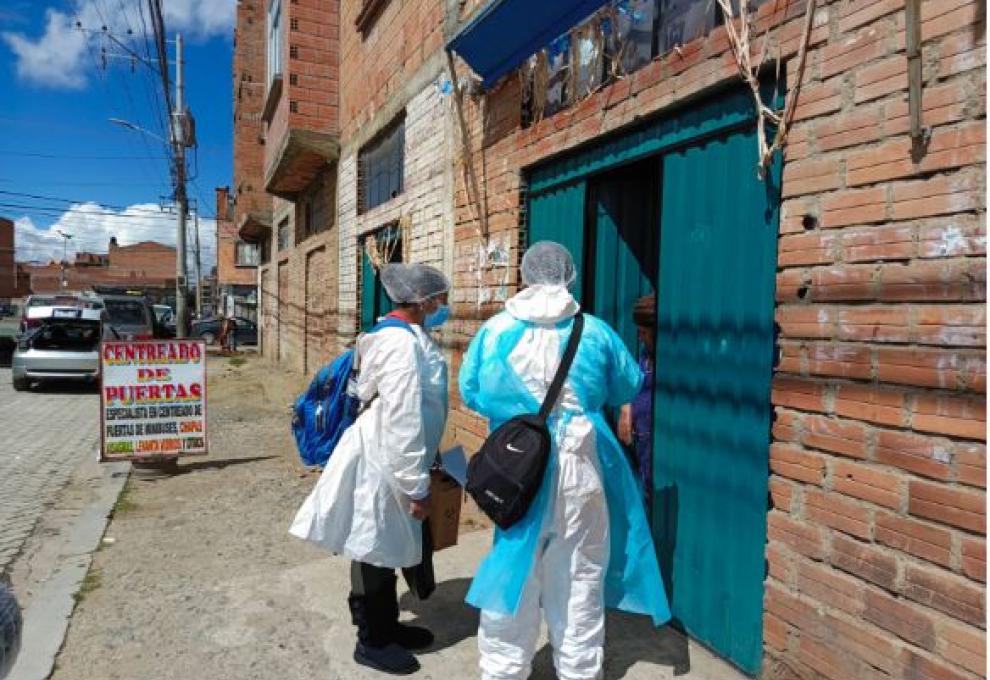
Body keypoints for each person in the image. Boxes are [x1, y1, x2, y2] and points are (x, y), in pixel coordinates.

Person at [459, 242, 670, 680]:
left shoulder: (495, 331)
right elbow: (628, 385)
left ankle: (502, 671)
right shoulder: (593, 331)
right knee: (578, 580)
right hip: (580, 469)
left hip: (520, 470)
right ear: (568, 276)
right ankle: (578, 670)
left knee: (514, 573)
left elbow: (472, 392)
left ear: (526, 275)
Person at [290, 263, 451, 675]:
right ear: (421, 301)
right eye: (439, 299)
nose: (444, 305)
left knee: (385, 547)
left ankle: (388, 627)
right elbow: (402, 416)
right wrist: (416, 486)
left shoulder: (405, 337)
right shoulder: (399, 345)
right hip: (386, 461)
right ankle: (371, 640)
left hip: (393, 458)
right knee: (374, 547)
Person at [618, 294, 656, 506]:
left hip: (654, 439)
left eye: (644, 332)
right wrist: (626, 409)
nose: (640, 337)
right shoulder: (645, 353)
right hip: (640, 436)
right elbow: (634, 380)